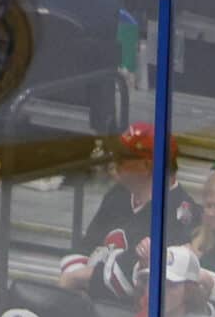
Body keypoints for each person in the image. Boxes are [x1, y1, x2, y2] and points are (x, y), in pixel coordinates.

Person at [57, 122, 199, 301]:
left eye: (122, 158)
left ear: (147, 166)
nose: (113, 162)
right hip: (91, 300)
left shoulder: (179, 214)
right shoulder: (119, 193)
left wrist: (76, 278)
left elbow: (139, 278)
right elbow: (85, 247)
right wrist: (76, 280)